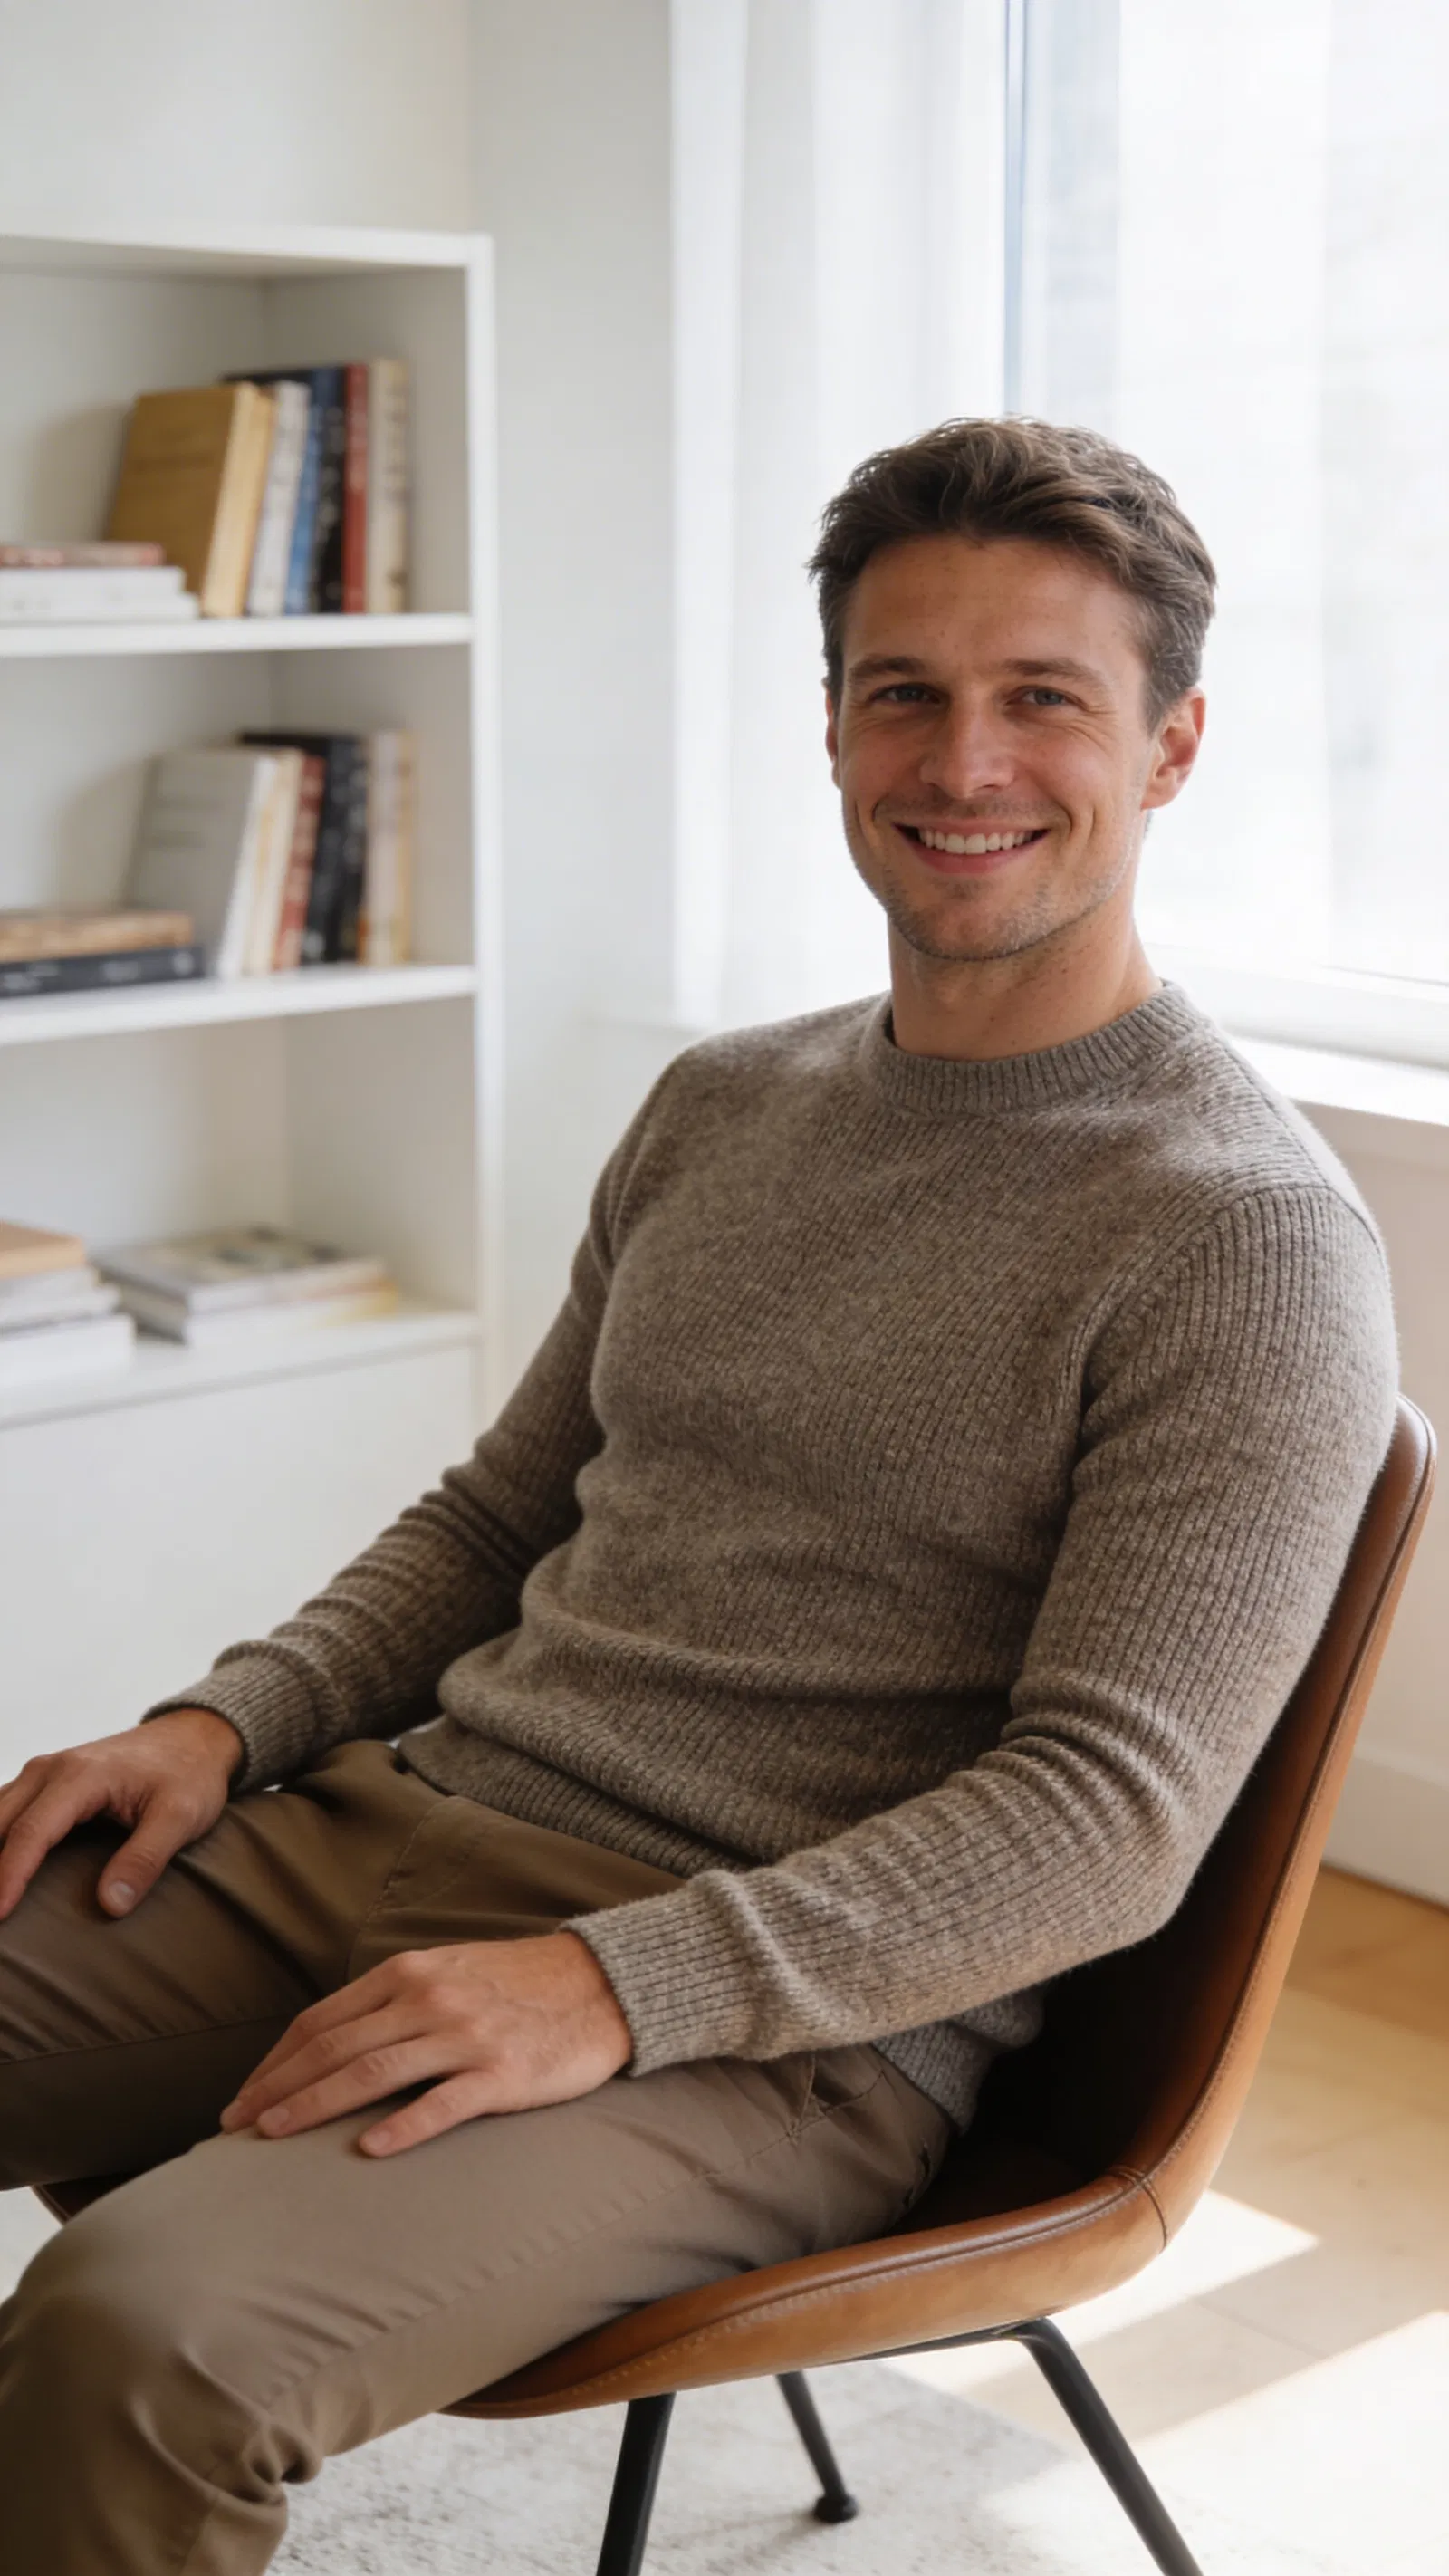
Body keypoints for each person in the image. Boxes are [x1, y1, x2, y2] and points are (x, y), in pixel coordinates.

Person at [0, 418, 1396, 2574]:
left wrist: (609, 1984)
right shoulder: (724, 1103)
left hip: (780, 2029)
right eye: (902, 692)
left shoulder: (1238, 1236)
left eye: (1044, 698)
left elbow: (1104, 1820)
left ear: (1172, 743)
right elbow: (494, 1525)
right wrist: (223, 1722)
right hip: (392, 1828)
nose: (965, 761)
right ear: (828, 725)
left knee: (139, 2341)